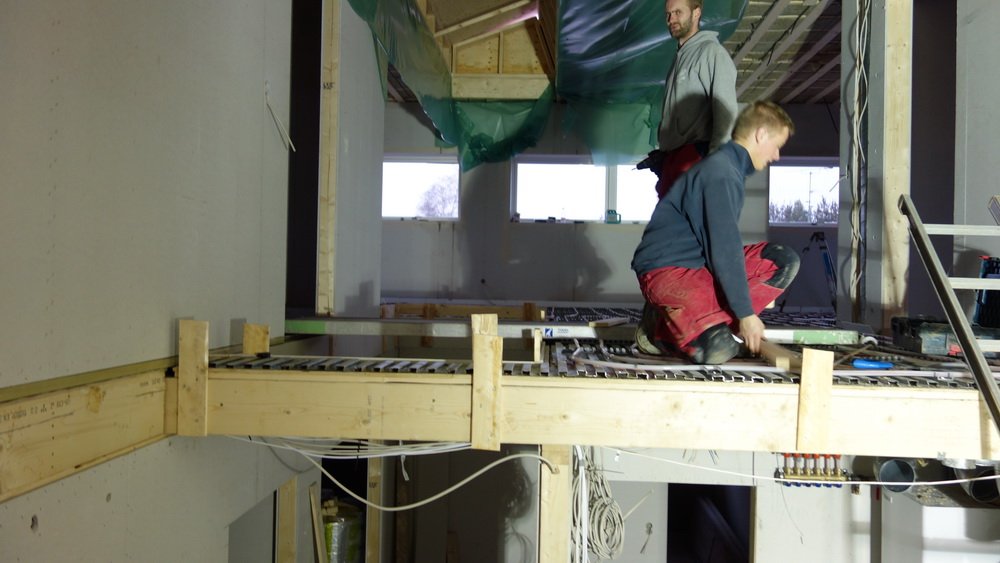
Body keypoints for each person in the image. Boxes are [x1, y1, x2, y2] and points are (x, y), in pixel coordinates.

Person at [631, 101, 801, 364]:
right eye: (777, 145)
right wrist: (746, 315)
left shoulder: (728, 168)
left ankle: (706, 324)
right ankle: (661, 330)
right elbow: (723, 249)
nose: (777, 155)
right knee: (719, 350)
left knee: (782, 260)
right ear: (760, 135)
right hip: (669, 272)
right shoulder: (720, 173)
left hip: (699, 267)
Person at [643, 0, 738, 200]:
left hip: (694, 158)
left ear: (696, 13)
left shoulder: (711, 53)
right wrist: (665, 156)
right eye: (668, 14)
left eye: (678, 12)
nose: (671, 19)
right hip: (675, 161)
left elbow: (726, 115)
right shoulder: (679, 58)